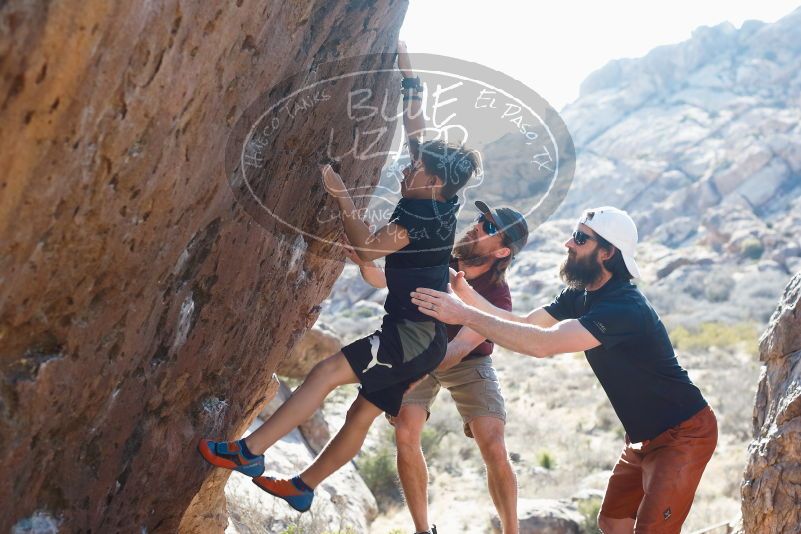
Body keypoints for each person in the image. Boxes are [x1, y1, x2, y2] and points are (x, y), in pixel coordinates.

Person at [197, 43, 481, 514]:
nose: (407, 167)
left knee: (326, 372)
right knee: (360, 412)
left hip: (410, 337)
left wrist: (342, 198)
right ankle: (303, 485)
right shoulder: (440, 192)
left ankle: (248, 453)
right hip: (420, 337)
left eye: (416, 168)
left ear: (432, 183)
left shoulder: (423, 219)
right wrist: (407, 69)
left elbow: (368, 248)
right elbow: (417, 127)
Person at [410, 207, 717, 534]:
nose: (568, 244)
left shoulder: (624, 308)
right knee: (612, 522)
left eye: (581, 238)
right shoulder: (583, 295)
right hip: (642, 439)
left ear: (607, 253)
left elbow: (541, 345)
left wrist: (465, 315)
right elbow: (526, 325)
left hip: (684, 435)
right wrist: (466, 296)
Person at [349, 200, 528, 534]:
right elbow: (380, 275)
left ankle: (511, 531)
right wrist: (361, 258)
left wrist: (409, 378)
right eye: (480, 219)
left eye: (489, 228)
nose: (477, 226)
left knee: (493, 441)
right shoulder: (437, 257)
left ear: (503, 252)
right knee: (405, 430)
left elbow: (459, 350)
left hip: (466, 361)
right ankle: (422, 530)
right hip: (419, 347)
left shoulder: (496, 298)